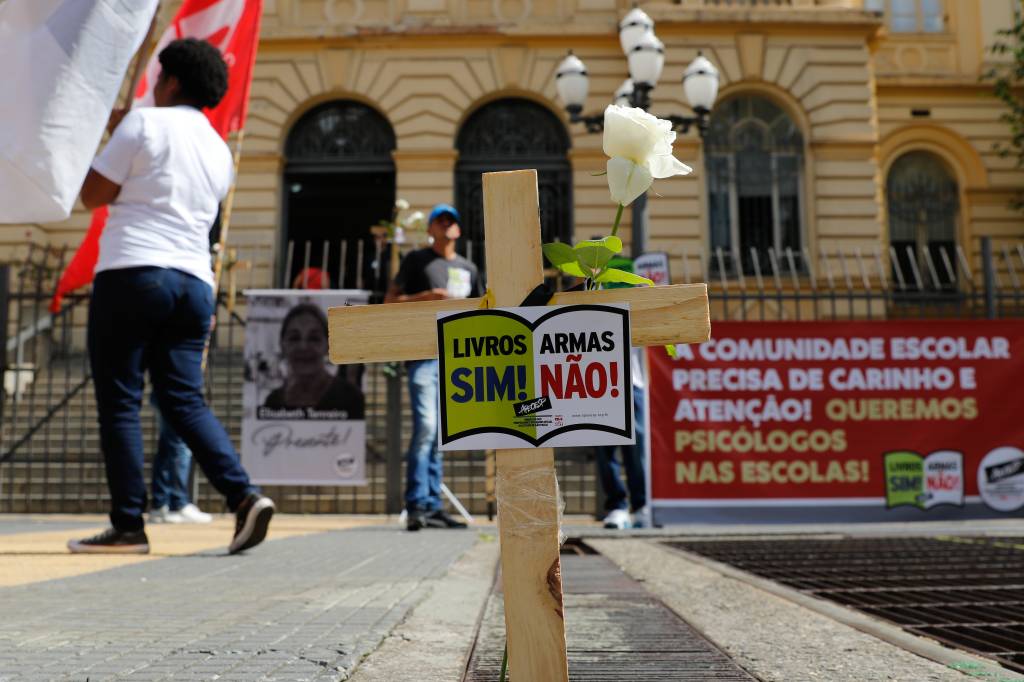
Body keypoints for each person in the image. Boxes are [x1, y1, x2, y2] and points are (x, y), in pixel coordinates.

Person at [68, 38, 274, 554]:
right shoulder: (218, 148)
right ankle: (243, 496)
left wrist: (111, 134)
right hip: (193, 283)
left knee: (119, 402)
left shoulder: (142, 123)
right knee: (182, 399)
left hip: (134, 270)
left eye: (158, 78)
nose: (153, 87)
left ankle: (128, 525)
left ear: (172, 81)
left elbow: (93, 194)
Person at [385, 203, 483, 531]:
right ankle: (416, 502)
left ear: (458, 229)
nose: (446, 225)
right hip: (424, 354)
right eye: (440, 221)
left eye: (451, 221)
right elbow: (389, 302)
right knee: (427, 427)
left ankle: (431, 504)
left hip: (458, 359)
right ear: (430, 229)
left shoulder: (469, 268)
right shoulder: (416, 260)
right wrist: (425, 298)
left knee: (441, 433)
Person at [262, 303, 364, 418]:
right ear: (282, 345)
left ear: (328, 345)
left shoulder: (352, 398)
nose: (303, 347)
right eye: (294, 338)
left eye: (314, 338)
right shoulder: (273, 401)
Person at [598, 348, 650, 529]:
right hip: (598, 378)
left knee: (638, 446)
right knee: (604, 445)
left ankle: (641, 504)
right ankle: (617, 505)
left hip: (634, 379)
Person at [148, 395, 213, 524]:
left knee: (167, 446)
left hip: (164, 391)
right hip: (176, 393)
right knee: (179, 445)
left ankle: (161, 503)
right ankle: (178, 503)